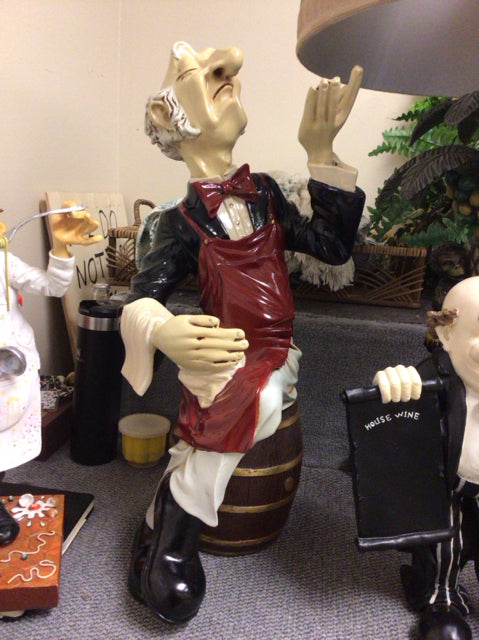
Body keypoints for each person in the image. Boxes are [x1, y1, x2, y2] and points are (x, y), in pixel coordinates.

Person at [120, 41, 365, 624]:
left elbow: (332, 247)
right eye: (197, 70)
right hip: (222, 351)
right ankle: (172, 542)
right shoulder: (173, 223)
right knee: (258, 397)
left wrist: (322, 154)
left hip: (274, 348)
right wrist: (165, 330)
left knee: (266, 394)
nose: (228, 64)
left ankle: (164, 524)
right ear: (166, 117)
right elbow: (139, 302)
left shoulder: (270, 195)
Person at [373, 276, 479, 640]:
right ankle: (441, 596)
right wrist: (392, 385)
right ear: (447, 334)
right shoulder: (435, 378)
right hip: (447, 483)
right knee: (445, 538)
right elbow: (390, 425)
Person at [0, 204, 101, 545]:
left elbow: (53, 286)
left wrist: (61, 248)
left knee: (3, 438)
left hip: (9, 369)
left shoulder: (4, 263)